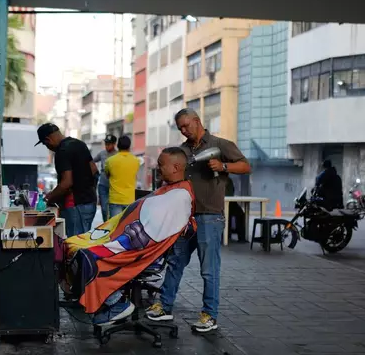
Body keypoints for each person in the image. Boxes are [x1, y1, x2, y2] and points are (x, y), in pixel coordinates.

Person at [61, 147, 195, 326]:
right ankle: (93, 296)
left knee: (90, 256)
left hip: (136, 247)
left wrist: (115, 241)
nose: (157, 167)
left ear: (176, 167)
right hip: (118, 234)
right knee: (69, 244)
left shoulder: (180, 196)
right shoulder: (169, 189)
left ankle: (117, 303)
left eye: (161, 164)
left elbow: (149, 231)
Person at [147, 108, 251, 333]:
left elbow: (245, 165)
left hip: (210, 217)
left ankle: (209, 315)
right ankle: (164, 306)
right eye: (180, 128)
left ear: (197, 121)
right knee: (175, 262)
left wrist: (223, 166)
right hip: (185, 217)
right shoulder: (182, 151)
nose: (184, 131)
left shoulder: (219, 145)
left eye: (186, 126)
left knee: (209, 269)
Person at [35, 123, 99, 236]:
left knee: (75, 245)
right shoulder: (80, 144)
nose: (48, 147)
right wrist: (88, 188)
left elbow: (66, 183)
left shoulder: (62, 151)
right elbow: (94, 170)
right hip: (90, 203)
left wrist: (49, 198)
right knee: (85, 241)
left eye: (45, 144)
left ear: (48, 139)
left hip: (75, 206)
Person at [105, 135, 140, 218]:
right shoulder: (136, 160)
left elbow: (107, 175)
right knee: (127, 227)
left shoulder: (110, 161)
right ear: (129, 146)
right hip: (130, 199)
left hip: (115, 199)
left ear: (117, 146)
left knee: (115, 227)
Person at [94, 134, 117, 221]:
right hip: (103, 185)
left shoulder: (117, 155)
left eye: (109, 144)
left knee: (113, 209)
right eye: (106, 144)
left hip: (114, 186)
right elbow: (92, 161)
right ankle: (105, 225)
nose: (107, 146)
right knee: (104, 209)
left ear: (114, 144)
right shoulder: (102, 153)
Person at [226, 176, 246, 243]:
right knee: (228, 214)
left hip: (230, 202)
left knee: (240, 213)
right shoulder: (217, 180)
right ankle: (241, 237)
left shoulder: (228, 180)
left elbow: (230, 193)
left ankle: (241, 237)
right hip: (220, 203)